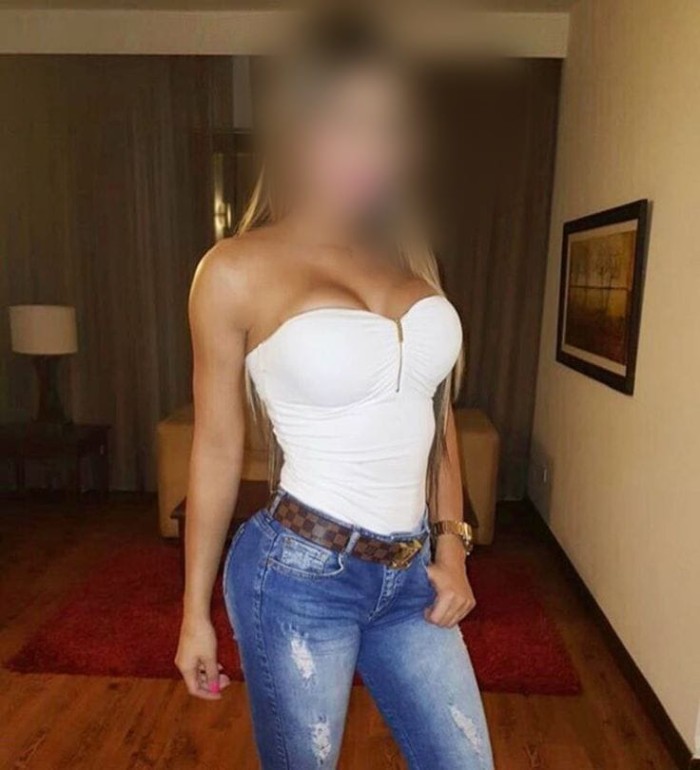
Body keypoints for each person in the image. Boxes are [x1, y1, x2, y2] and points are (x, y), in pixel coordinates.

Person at [176, 14, 494, 770]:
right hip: (298, 576)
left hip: (412, 578)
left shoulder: (411, 263)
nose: (367, 148)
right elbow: (216, 448)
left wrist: (453, 547)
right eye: (344, 121)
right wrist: (194, 613)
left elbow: (438, 419)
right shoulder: (233, 270)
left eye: (386, 126)